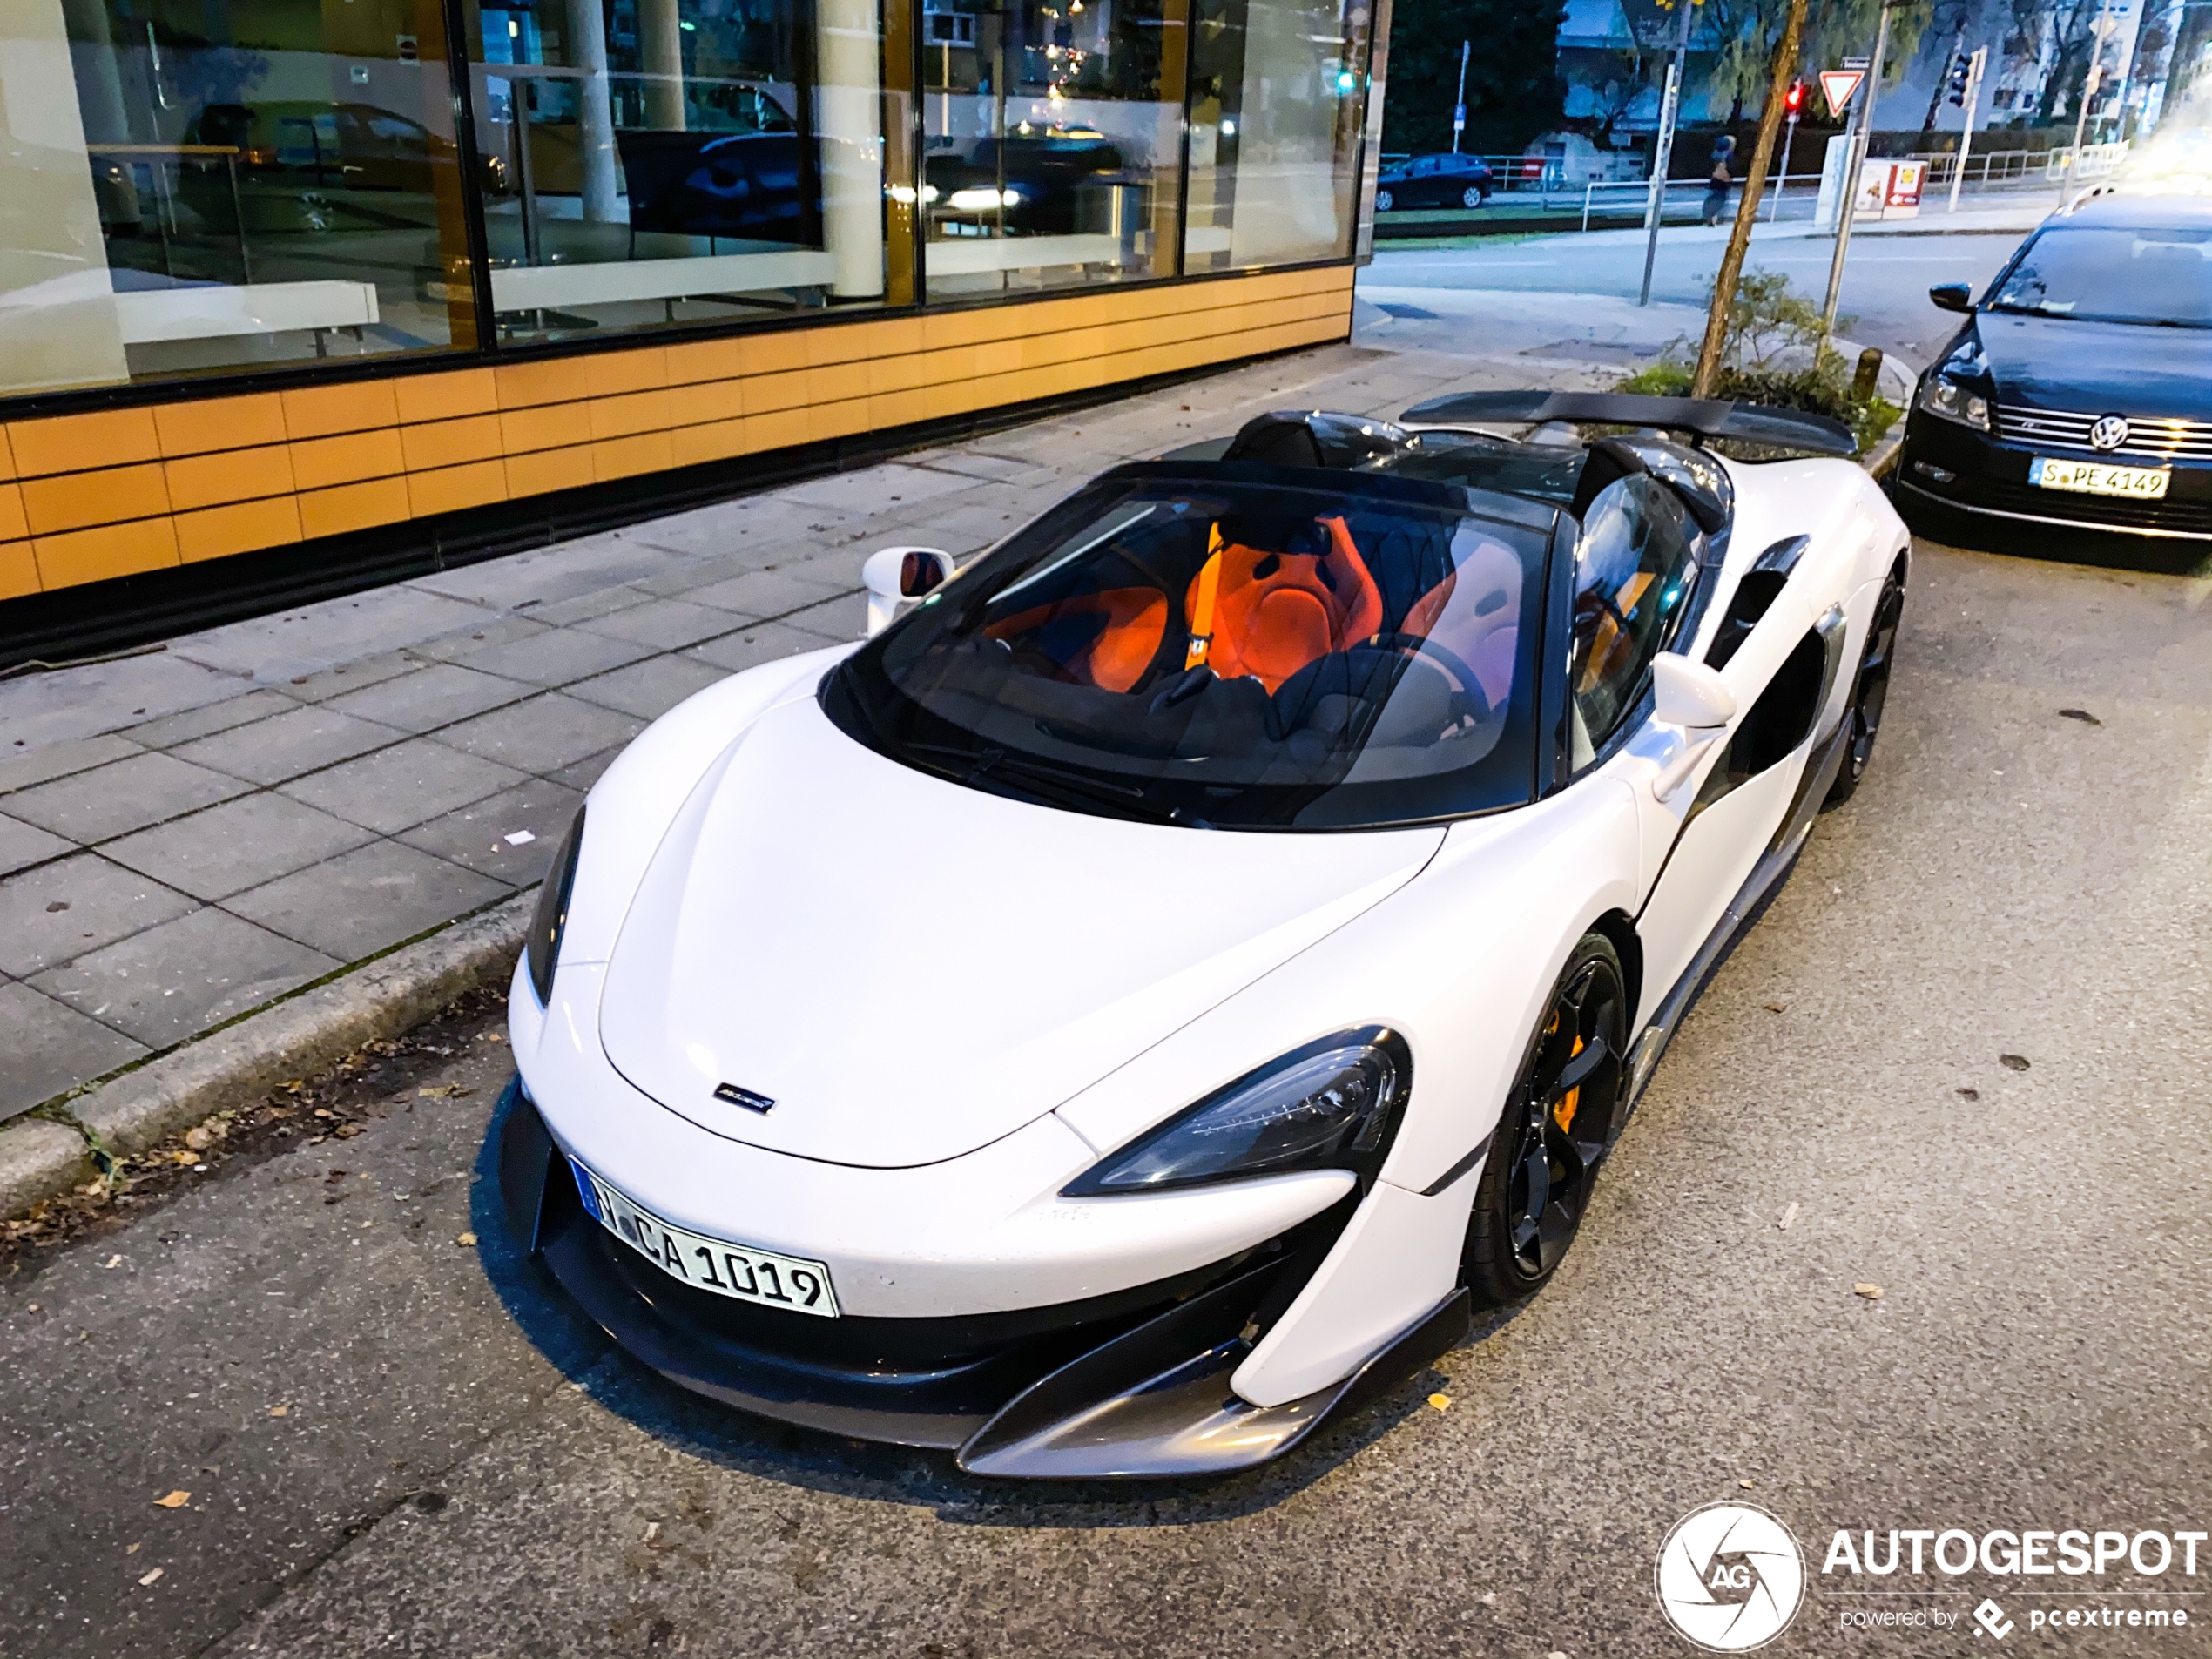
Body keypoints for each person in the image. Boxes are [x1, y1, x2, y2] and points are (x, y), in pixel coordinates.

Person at [1702, 133, 1737, 226]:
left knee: (1713, 199)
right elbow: (1727, 169)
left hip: (1716, 182)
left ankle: (1710, 217)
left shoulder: (1715, 155)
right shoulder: (1726, 156)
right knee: (1718, 200)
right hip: (1721, 182)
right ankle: (1713, 218)